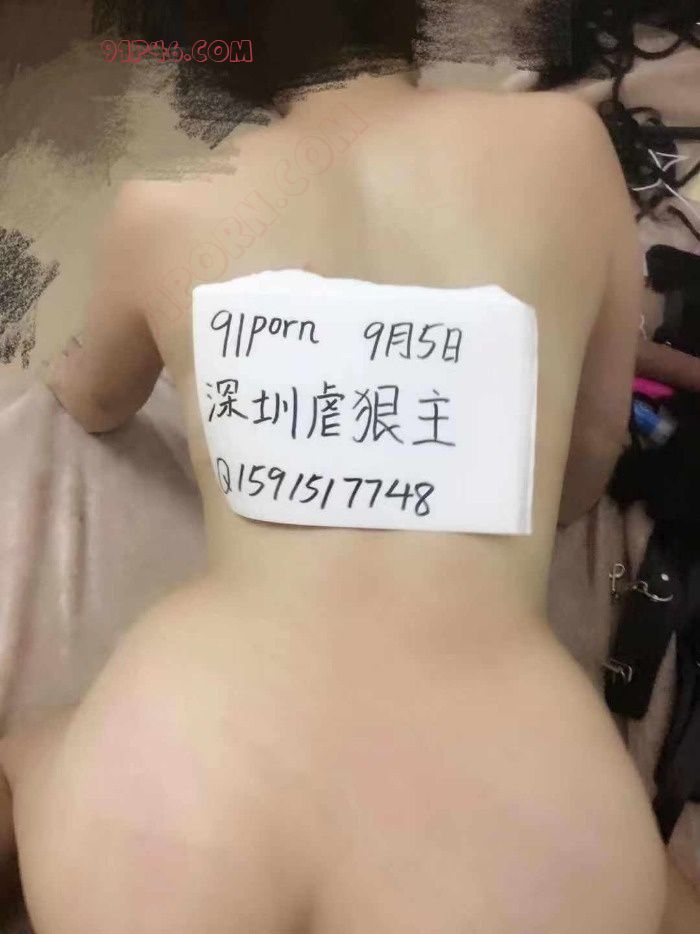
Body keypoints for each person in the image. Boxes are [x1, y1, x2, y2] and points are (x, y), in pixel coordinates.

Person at [0, 1, 678, 931]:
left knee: (34, 752)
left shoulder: (162, 189)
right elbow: (585, 472)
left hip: (176, 791)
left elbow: (90, 398)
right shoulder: (564, 144)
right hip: (522, 816)